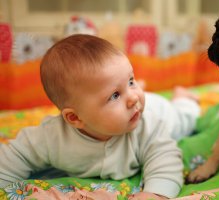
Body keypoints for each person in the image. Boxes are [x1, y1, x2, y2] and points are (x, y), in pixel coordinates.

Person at [0, 34, 200, 199]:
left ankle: (182, 97)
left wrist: (154, 194)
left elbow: (165, 158)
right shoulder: (52, 137)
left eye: (131, 80)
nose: (132, 98)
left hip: (162, 111)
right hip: (137, 111)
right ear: (74, 118)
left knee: (187, 115)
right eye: (114, 95)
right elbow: (14, 156)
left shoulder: (148, 125)